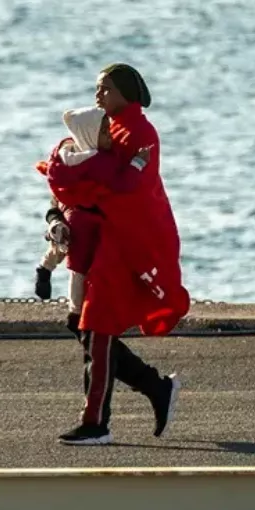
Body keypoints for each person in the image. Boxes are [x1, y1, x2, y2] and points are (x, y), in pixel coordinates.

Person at [43, 63, 190, 445]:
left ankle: (96, 423)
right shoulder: (102, 127)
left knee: (99, 329)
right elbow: (80, 173)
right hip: (99, 241)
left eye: (105, 88)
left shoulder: (141, 132)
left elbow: (127, 188)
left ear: (128, 92)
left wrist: (85, 184)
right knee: (82, 327)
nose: (98, 95)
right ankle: (156, 388)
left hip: (125, 241)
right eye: (97, 88)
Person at [33, 105, 152, 335]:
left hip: (68, 214)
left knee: (60, 247)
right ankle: (75, 313)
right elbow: (123, 183)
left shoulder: (66, 157)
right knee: (79, 268)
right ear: (90, 135)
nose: (111, 137)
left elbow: (56, 194)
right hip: (86, 221)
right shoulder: (100, 163)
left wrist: (55, 218)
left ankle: (44, 268)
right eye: (105, 132)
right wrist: (138, 162)